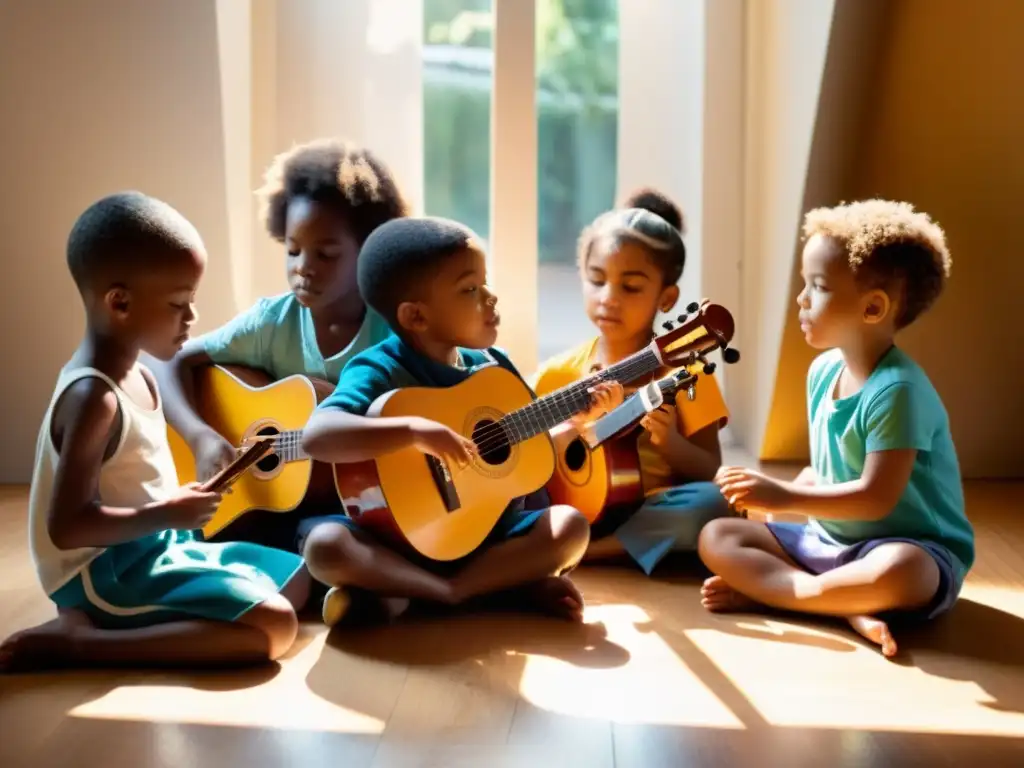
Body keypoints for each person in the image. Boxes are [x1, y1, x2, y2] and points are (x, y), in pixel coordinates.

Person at [0, 192, 308, 672]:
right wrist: (167, 511)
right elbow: (68, 527)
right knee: (277, 628)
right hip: (105, 571)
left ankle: (120, 624)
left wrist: (174, 509)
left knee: (297, 579)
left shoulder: (141, 374)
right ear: (119, 303)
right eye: (179, 303)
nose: (192, 318)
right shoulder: (92, 399)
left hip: (158, 546)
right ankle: (81, 643)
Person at [699, 199, 973, 659]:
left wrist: (783, 497)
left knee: (904, 571)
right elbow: (833, 469)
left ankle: (794, 596)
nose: (802, 299)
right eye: (805, 284)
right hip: (830, 541)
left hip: (906, 545)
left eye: (818, 287)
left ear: (872, 308)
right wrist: (792, 492)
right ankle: (839, 603)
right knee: (716, 537)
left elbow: (875, 497)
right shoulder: (823, 371)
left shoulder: (898, 390)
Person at [301, 216, 595, 626]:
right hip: (394, 539)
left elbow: (528, 444)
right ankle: (471, 590)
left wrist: (574, 422)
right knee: (325, 547)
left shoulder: (492, 366)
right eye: (470, 289)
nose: (491, 297)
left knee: (569, 527)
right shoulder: (377, 368)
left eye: (484, 282)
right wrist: (413, 430)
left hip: (487, 535)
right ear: (416, 317)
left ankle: (420, 594)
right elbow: (318, 436)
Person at [150, 138, 403, 552]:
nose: (303, 267)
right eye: (293, 250)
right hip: (276, 506)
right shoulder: (272, 322)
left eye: (326, 254)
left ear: (368, 251)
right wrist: (199, 436)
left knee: (350, 539)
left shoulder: (393, 329)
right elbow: (166, 359)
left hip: (364, 498)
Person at [530, 189, 732, 575]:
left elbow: (711, 470)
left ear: (667, 298)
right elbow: (529, 457)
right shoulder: (557, 372)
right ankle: (572, 541)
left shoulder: (687, 375)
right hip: (575, 503)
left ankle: (586, 552)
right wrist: (575, 429)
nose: (609, 297)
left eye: (631, 286)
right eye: (597, 280)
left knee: (713, 501)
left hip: (647, 508)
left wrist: (669, 443)